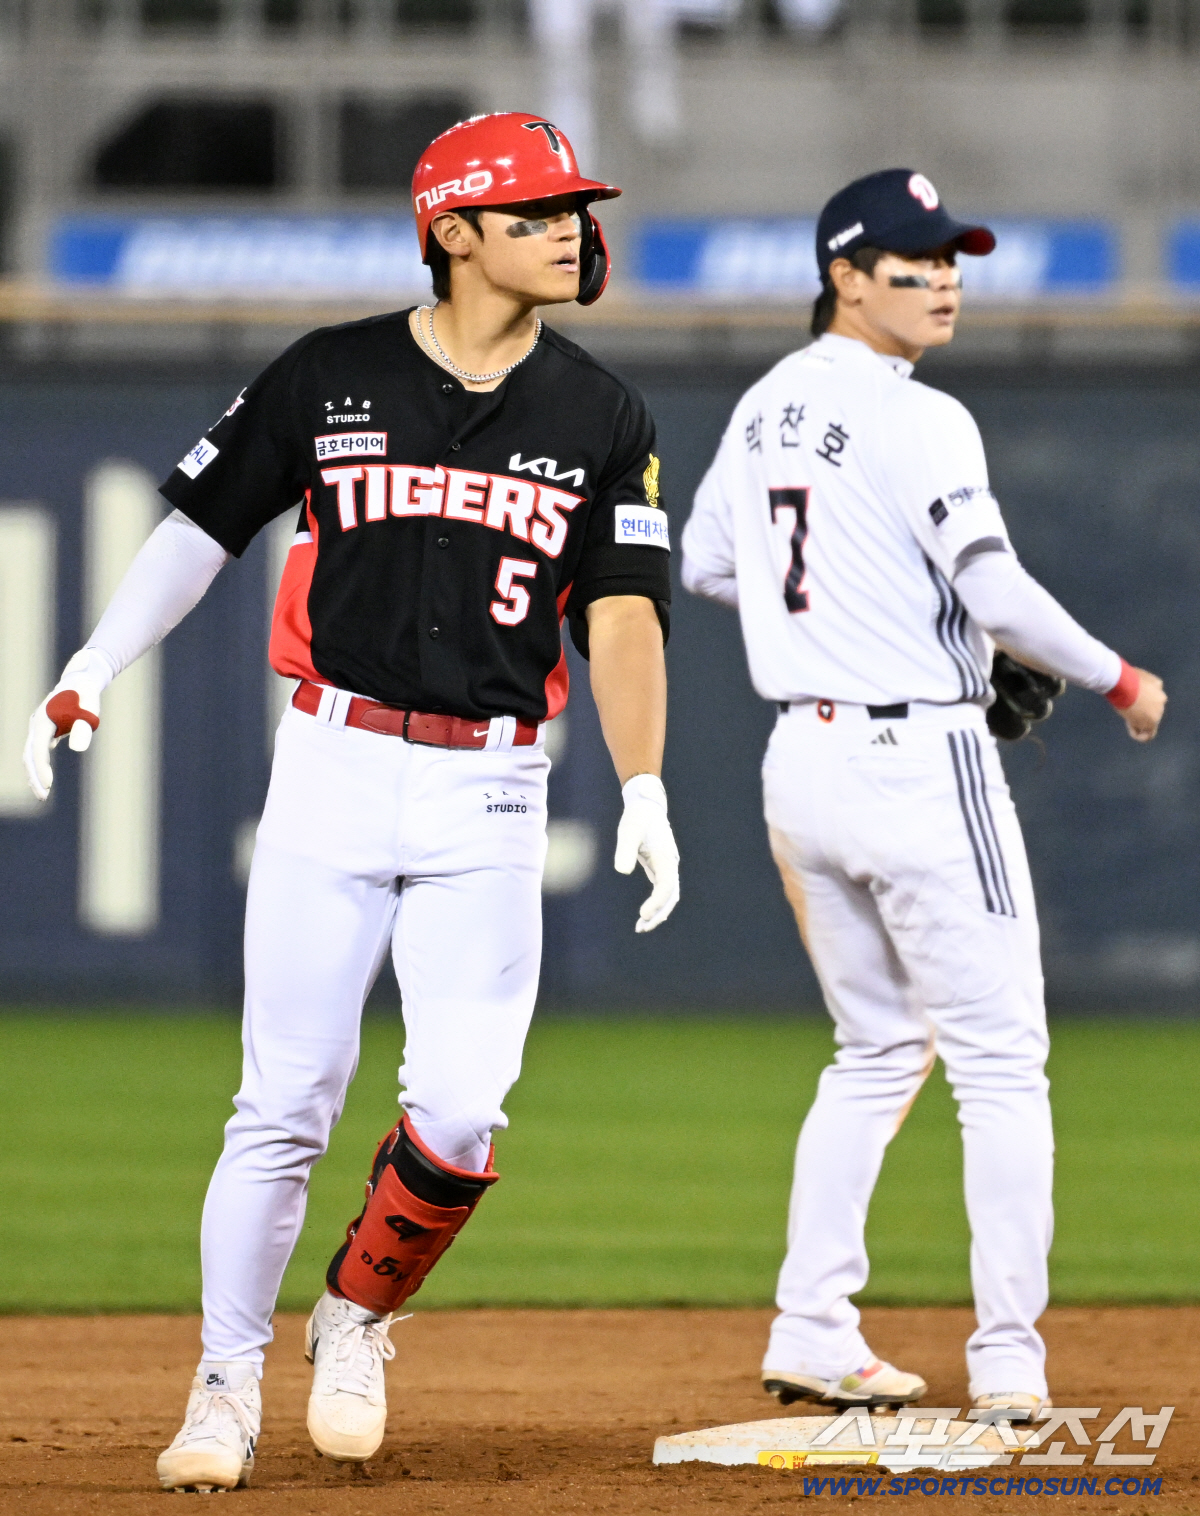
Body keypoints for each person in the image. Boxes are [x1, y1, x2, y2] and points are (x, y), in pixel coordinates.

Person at [24, 112, 679, 1493]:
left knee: (462, 1110)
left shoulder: (603, 413)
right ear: (455, 233)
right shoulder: (332, 373)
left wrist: (645, 782)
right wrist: (91, 663)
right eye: (538, 212)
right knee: (282, 1104)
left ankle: (355, 1313)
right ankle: (223, 1384)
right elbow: (200, 530)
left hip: (493, 779)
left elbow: (623, 612)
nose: (573, 231)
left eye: (575, 209)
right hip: (333, 762)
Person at [681, 168, 1166, 1419]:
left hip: (801, 765)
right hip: (918, 765)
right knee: (1001, 1066)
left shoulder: (765, 404)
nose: (945, 279)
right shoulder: (922, 415)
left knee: (879, 1047)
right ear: (846, 277)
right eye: (916, 260)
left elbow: (708, 562)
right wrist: (1119, 678)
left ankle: (812, 1325)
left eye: (953, 258)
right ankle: (1008, 1359)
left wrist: (848, 623)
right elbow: (994, 595)